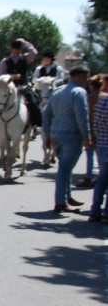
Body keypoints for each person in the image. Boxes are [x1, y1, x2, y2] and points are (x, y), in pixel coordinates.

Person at [42, 66, 92, 214]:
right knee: (65, 169)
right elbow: (82, 117)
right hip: (71, 134)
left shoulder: (58, 90)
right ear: (81, 77)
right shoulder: (79, 92)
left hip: (56, 133)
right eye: (86, 78)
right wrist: (86, 137)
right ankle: (61, 202)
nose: (86, 81)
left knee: (65, 167)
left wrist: (47, 134)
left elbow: (46, 113)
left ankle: (67, 196)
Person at [79, 75, 106, 188]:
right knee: (102, 158)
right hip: (103, 130)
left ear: (91, 86)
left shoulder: (88, 98)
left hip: (90, 128)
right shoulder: (105, 97)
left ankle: (89, 177)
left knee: (89, 155)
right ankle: (101, 177)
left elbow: (84, 115)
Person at [89, 86, 108, 222]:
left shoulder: (101, 103)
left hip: (102, 144)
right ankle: (107, 213)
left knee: (102, 179)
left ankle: (95, 210)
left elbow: (95, 125)